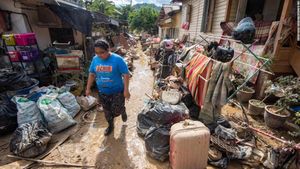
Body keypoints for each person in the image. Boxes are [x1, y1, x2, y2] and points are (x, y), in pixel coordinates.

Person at [86, 39, 130, 136]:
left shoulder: (118, 59)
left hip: (117, 91)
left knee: (116, 110)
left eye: (102, 52)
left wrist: (126, 90)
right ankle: (110, 125)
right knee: (107, 111)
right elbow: (92, 74)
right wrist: (88, 88)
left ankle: (122, 110)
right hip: (102, 91)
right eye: (97, 53)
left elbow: (126, 75)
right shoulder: (95, 60)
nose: (99, 55)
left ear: (108, 49)